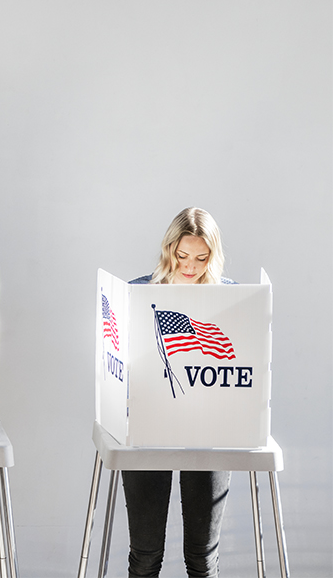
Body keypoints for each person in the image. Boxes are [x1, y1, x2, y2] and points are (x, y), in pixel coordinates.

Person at [123, 206, 233, 578]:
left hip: (210, 431)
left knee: (203, 558)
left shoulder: (230, 297)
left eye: (201, 258)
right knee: (145, 554)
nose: (190, 266)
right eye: (182, 256)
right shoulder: (138, 292)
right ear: (168, 249)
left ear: (213, 256)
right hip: (148, 428)